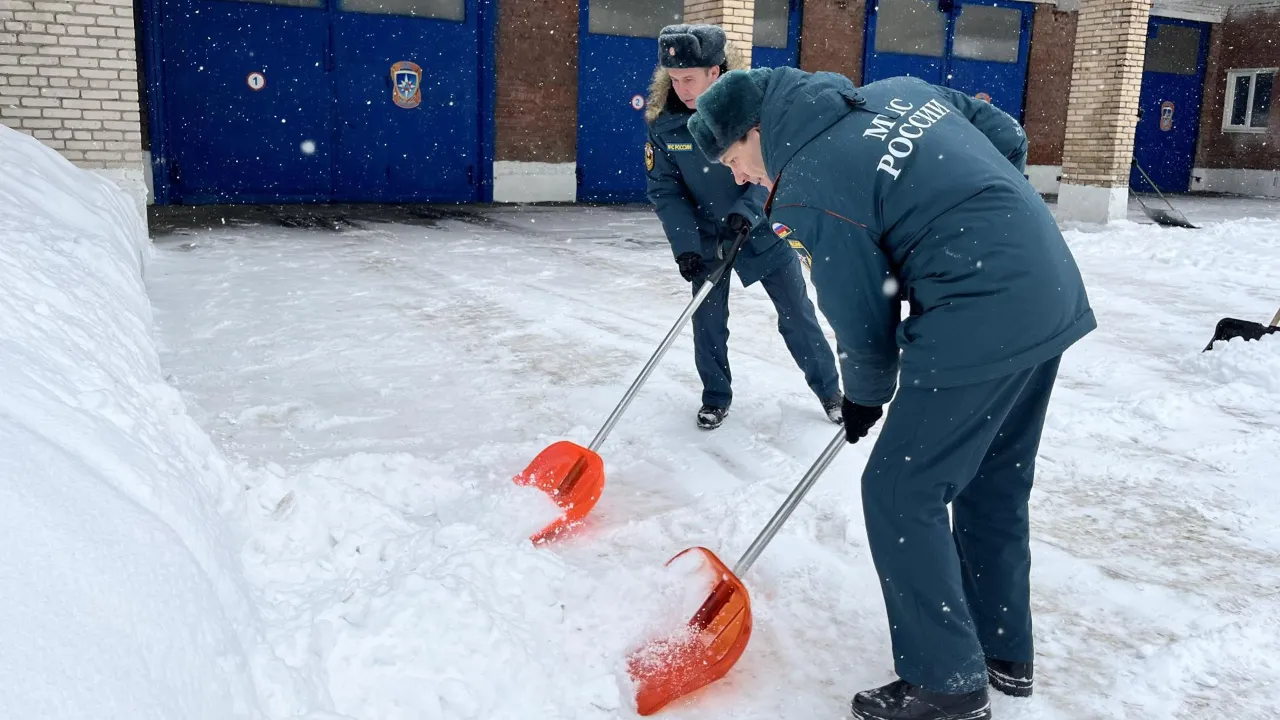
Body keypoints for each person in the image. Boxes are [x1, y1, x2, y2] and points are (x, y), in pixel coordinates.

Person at [687, 67, 1095, 720]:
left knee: (902, 490)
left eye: (736, 159)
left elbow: (858, 316)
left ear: (756, 130)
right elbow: (1004, 133)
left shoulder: (806, 186)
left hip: (979, 310)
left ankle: (947, 684)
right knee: (994, 478)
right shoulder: (897, 91)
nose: (740, 176)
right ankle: (1004, 653)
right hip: (1045, 284)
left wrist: (864, 396)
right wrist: (975, 213)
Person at [643, 24, 843, 431]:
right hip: (705, 239)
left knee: (797, 315)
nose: (681, 88)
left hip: (763, 229)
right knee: (708, 321)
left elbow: (773, 164)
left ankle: (830, 392)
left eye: (690, 78)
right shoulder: (665, 126)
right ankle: (716, 397)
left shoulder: (746, 107)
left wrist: (747, 213)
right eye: (675, 79)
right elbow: (666, 190)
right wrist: (685, 246)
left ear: (714, 72)